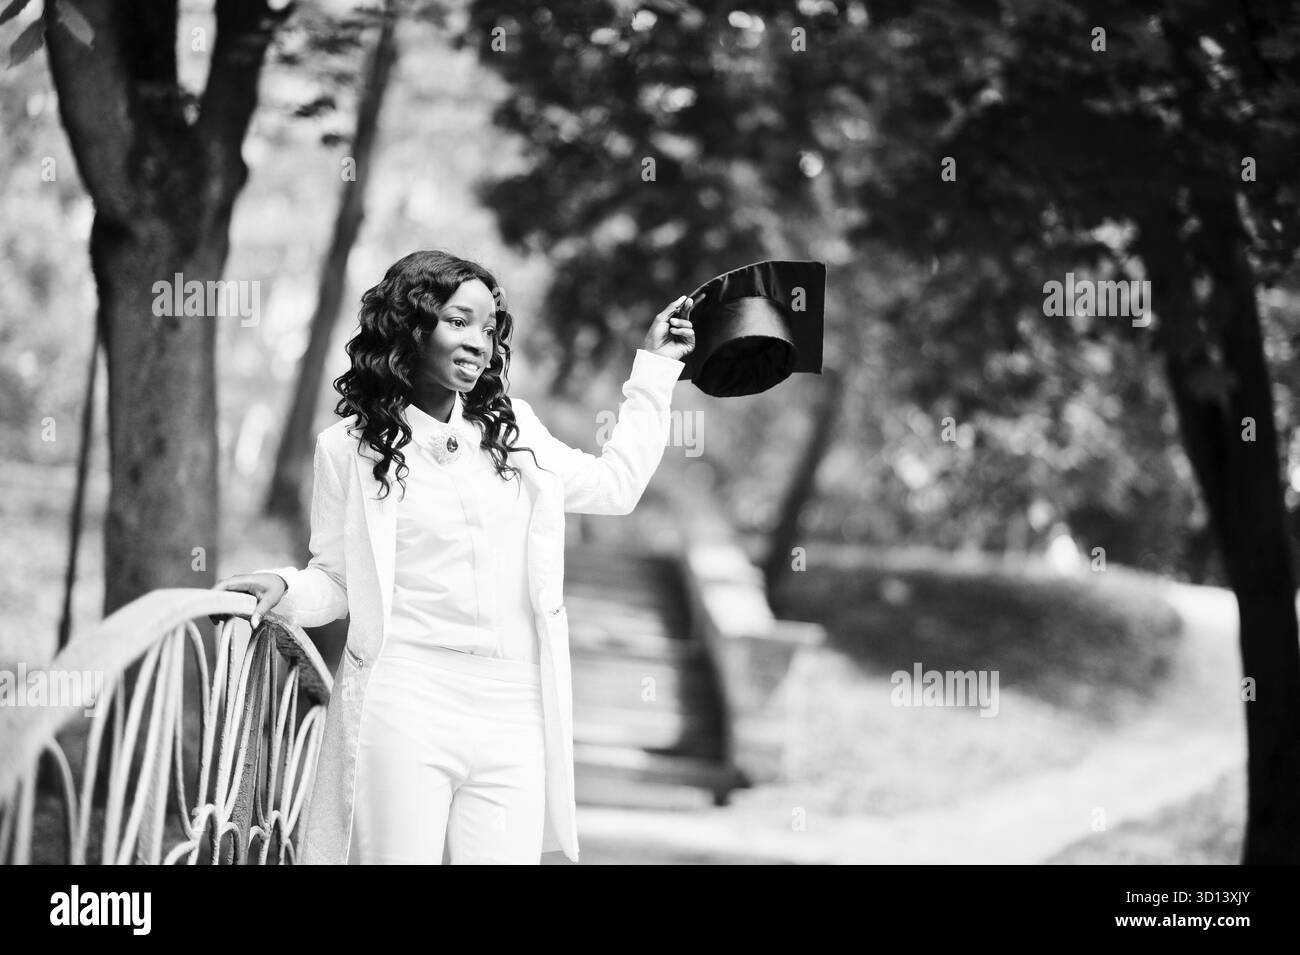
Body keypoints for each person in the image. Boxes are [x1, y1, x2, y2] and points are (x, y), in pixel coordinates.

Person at [212, 249, 696, 864]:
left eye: (490, 328)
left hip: (515, 706)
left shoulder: (514, 433)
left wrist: (655, 369)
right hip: (407, 695)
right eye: (459, 321)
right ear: (411, 328)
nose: (479, 343)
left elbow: (616, 485)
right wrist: (283, 587)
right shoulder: (347, 450)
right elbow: (335, 578)